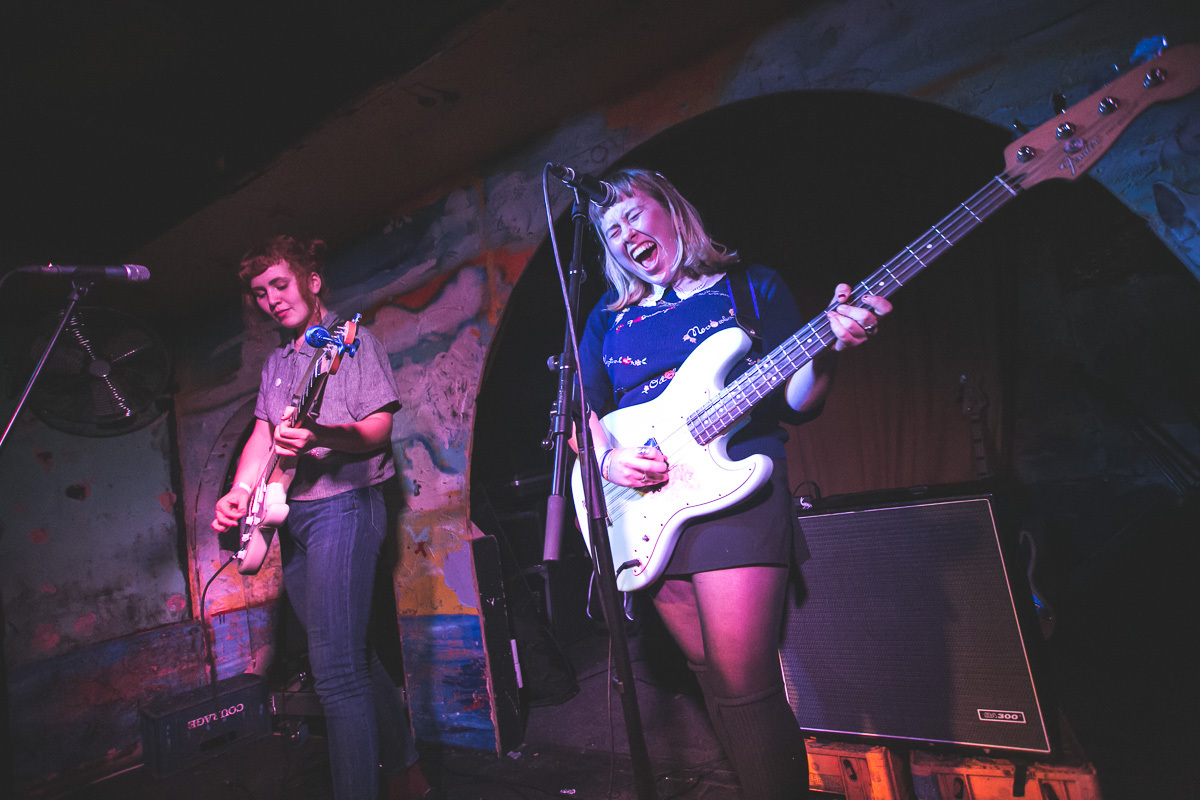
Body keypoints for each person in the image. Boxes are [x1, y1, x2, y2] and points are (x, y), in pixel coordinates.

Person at [577, 169, 891, 799]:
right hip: (646, 508)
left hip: (738, 493)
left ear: (673, 212)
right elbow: (583, 414)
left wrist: (828, 346)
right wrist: (607, 463)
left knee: (745, 685)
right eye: (611, 231)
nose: (625, 234)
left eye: (634, 215)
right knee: (710, 679)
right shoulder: (607, 321)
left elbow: (799, 400)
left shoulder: (751, 287)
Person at [212, 236, 430, 800]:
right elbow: (263, 434)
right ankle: (407, 770)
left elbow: (378, 430)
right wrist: (240, 491)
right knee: (348, 656)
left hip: (346, 505)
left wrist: (320, 436)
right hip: (293, 516)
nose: (271, 300)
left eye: (279, 284)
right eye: (260, 293)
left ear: (311, 282)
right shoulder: (277, 363)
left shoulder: (352, 343)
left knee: (335, 673)